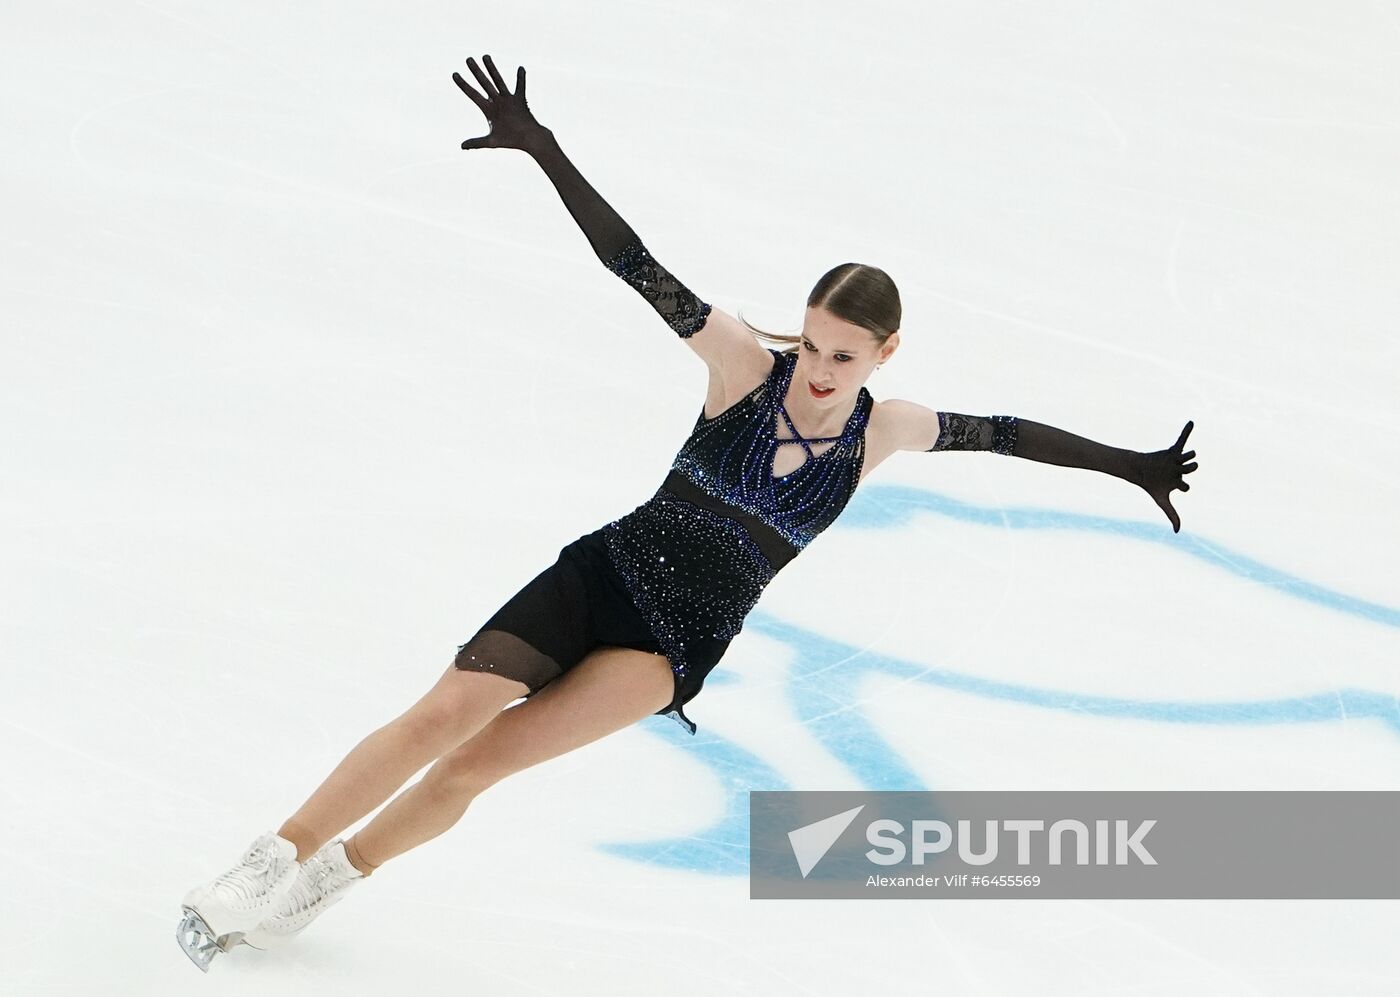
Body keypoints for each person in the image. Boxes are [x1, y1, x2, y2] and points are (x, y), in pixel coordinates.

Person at [177, 54, 1199, 966]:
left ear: (884, 353)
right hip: (604, 576)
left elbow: (1009, 436)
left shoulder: (884, 431)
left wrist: (1133, 465)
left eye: (843, 354)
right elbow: (634, 266)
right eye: (812, 342)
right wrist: (544, 150)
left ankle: (325, 883)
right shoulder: (742, 368)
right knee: (444, 715)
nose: (818, 368)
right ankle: (272, 856)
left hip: (675, 639)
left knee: (477, 766)